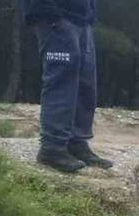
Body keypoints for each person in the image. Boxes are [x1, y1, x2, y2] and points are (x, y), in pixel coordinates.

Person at [22, 0, 112, 173]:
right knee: (61, 82)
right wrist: (49, 11)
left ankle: (76, 143)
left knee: (85, 84)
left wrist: (90, 13)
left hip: (81, 18)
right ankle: (52, 147)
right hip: (54, 15)